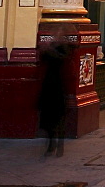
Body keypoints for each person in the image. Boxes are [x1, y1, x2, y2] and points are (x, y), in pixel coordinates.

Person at [38, 28, 73, 157]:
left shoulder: (64, 49)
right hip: (49, 86)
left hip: (58, 87)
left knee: (58, 116)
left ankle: (58, 143)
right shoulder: (52, 48)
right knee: (49, 117)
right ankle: (53, 142)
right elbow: (43, 58)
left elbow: (64, 60)